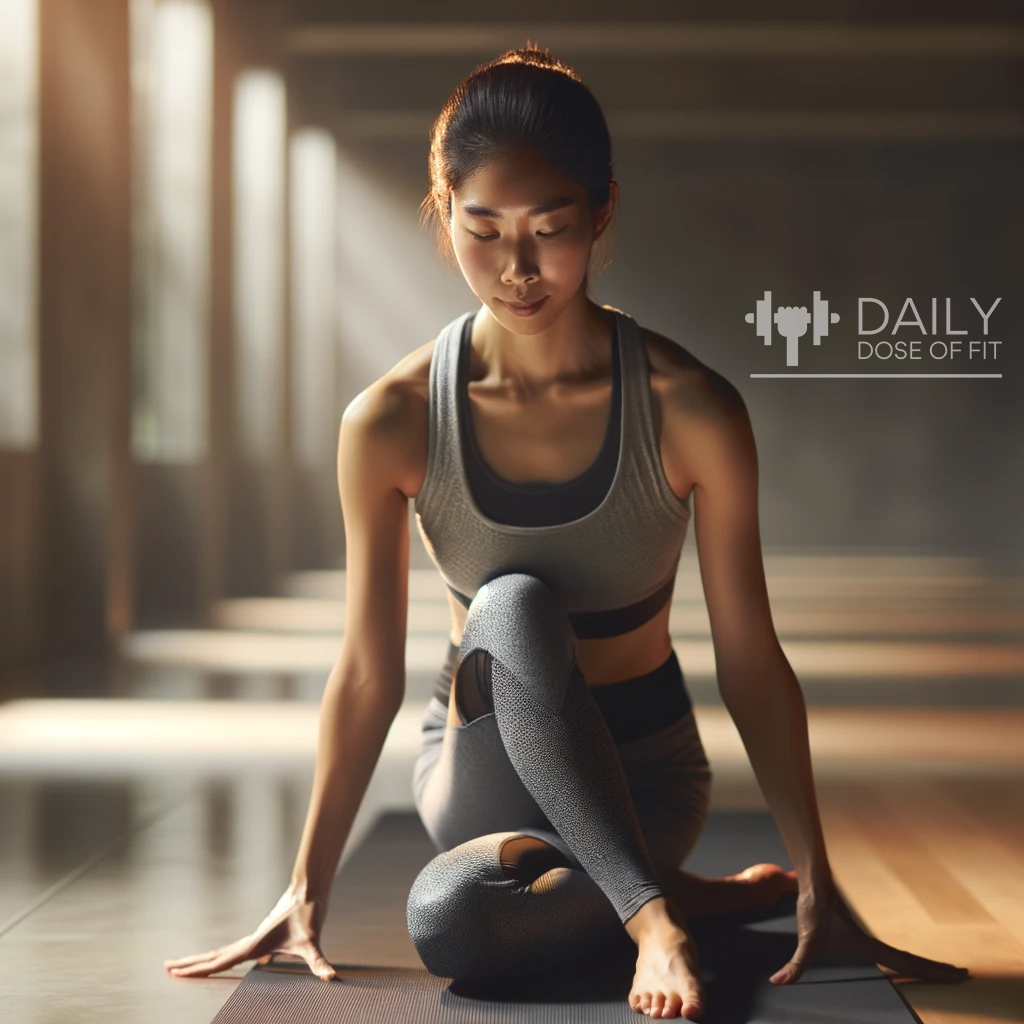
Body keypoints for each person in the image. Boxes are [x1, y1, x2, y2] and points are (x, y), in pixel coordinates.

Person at [165, 44, 970, 1021]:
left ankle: (651, 901)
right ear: (442, 208)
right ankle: (664, 909)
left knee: (470, 910)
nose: (516, 268)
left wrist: (818, 880)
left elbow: (752, 656)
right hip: (478, 775)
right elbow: (367, 668)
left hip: (650, 776)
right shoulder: (389, 418)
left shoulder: (690, 409)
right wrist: (304, 888)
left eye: (549, 228)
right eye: (483, 228)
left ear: (601, 213)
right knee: (499, 663)